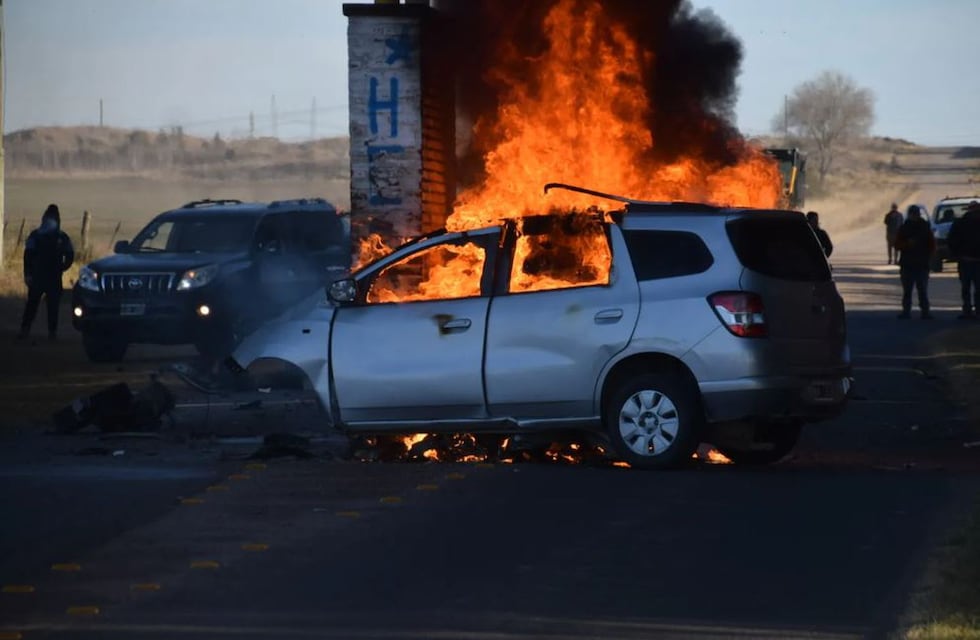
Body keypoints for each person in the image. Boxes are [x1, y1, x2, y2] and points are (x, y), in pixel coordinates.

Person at [18, 204, 75, 341]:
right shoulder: (62, 237)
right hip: (54, 276)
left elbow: (28, 256)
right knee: (52, 307)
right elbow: (70, 255)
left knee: (32, 305)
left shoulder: (36, 236)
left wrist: (28, 274)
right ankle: (52, 334)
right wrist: (62, 267)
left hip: (38, 276)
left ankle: (25, 331)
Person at [894, 204, 935, 319]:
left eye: (916, 214)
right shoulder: (904, 228)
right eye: (913, 214)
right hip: (907, 264)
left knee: (922, 290)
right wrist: (907, 244)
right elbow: (897, 244)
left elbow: (932, 245)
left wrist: (928, 257)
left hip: (922, 264)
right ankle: (906, 311)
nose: (914, 216)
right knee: (907, 291)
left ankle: (925, 312)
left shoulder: (925, 227)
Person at [947, 200, 980, 319]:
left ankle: (974, 310)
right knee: (967, 288)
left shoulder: (959, 223)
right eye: (974, 209)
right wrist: (958, 255)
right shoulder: (960, 223)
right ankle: (968, 310)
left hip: (972, 261)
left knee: (974, 288)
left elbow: (951, 241)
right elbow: (952, 241)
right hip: (966, 261)